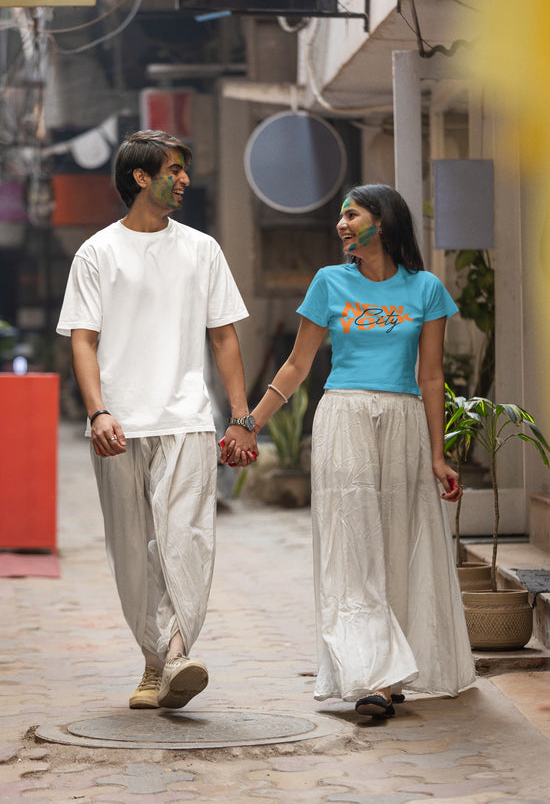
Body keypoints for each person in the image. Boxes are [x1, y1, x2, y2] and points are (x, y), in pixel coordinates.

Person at [225, 184, 476, 718]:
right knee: (353, 545)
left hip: (405, 420)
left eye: (351, 214)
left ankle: (394, 665)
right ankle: (371, 676)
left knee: (398, 541)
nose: (341, 223)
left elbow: (430, 377)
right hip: (344, 418)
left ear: (381, 222)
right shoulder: (328, 283)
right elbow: (296, 366)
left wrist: (438, 454)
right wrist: (248, 423)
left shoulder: (426, 289)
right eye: (341, 215)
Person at [57, 129, 257, 711]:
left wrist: (240, 418)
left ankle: (173, 653)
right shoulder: (97, 253)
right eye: (175, 169)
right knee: (133, 547)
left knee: (185, 538)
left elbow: (223, 338)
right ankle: (156, 661)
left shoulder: (202, 249)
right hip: (120, 424)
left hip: (188, 419)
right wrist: (97, 411)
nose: (186, 179)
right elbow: (84, 341)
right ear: (141, 178)